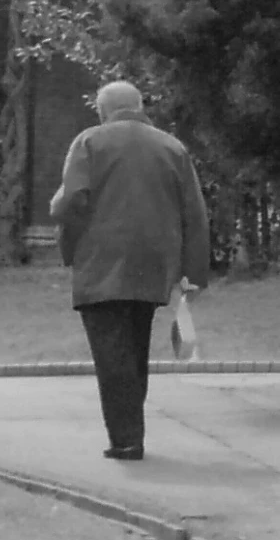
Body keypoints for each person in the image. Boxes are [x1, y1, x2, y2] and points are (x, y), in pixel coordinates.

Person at [50, 81, 211, 461]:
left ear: (102, 111)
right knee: (134, 349)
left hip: (101, 264)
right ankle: (131, 429)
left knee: (111, 353)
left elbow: (71, 200)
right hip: (153, 264)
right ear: (140, 106)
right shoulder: (172, 147)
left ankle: (126, 439)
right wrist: (193, 273)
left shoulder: (89, 142)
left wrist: (65, 234)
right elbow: (195, 214)